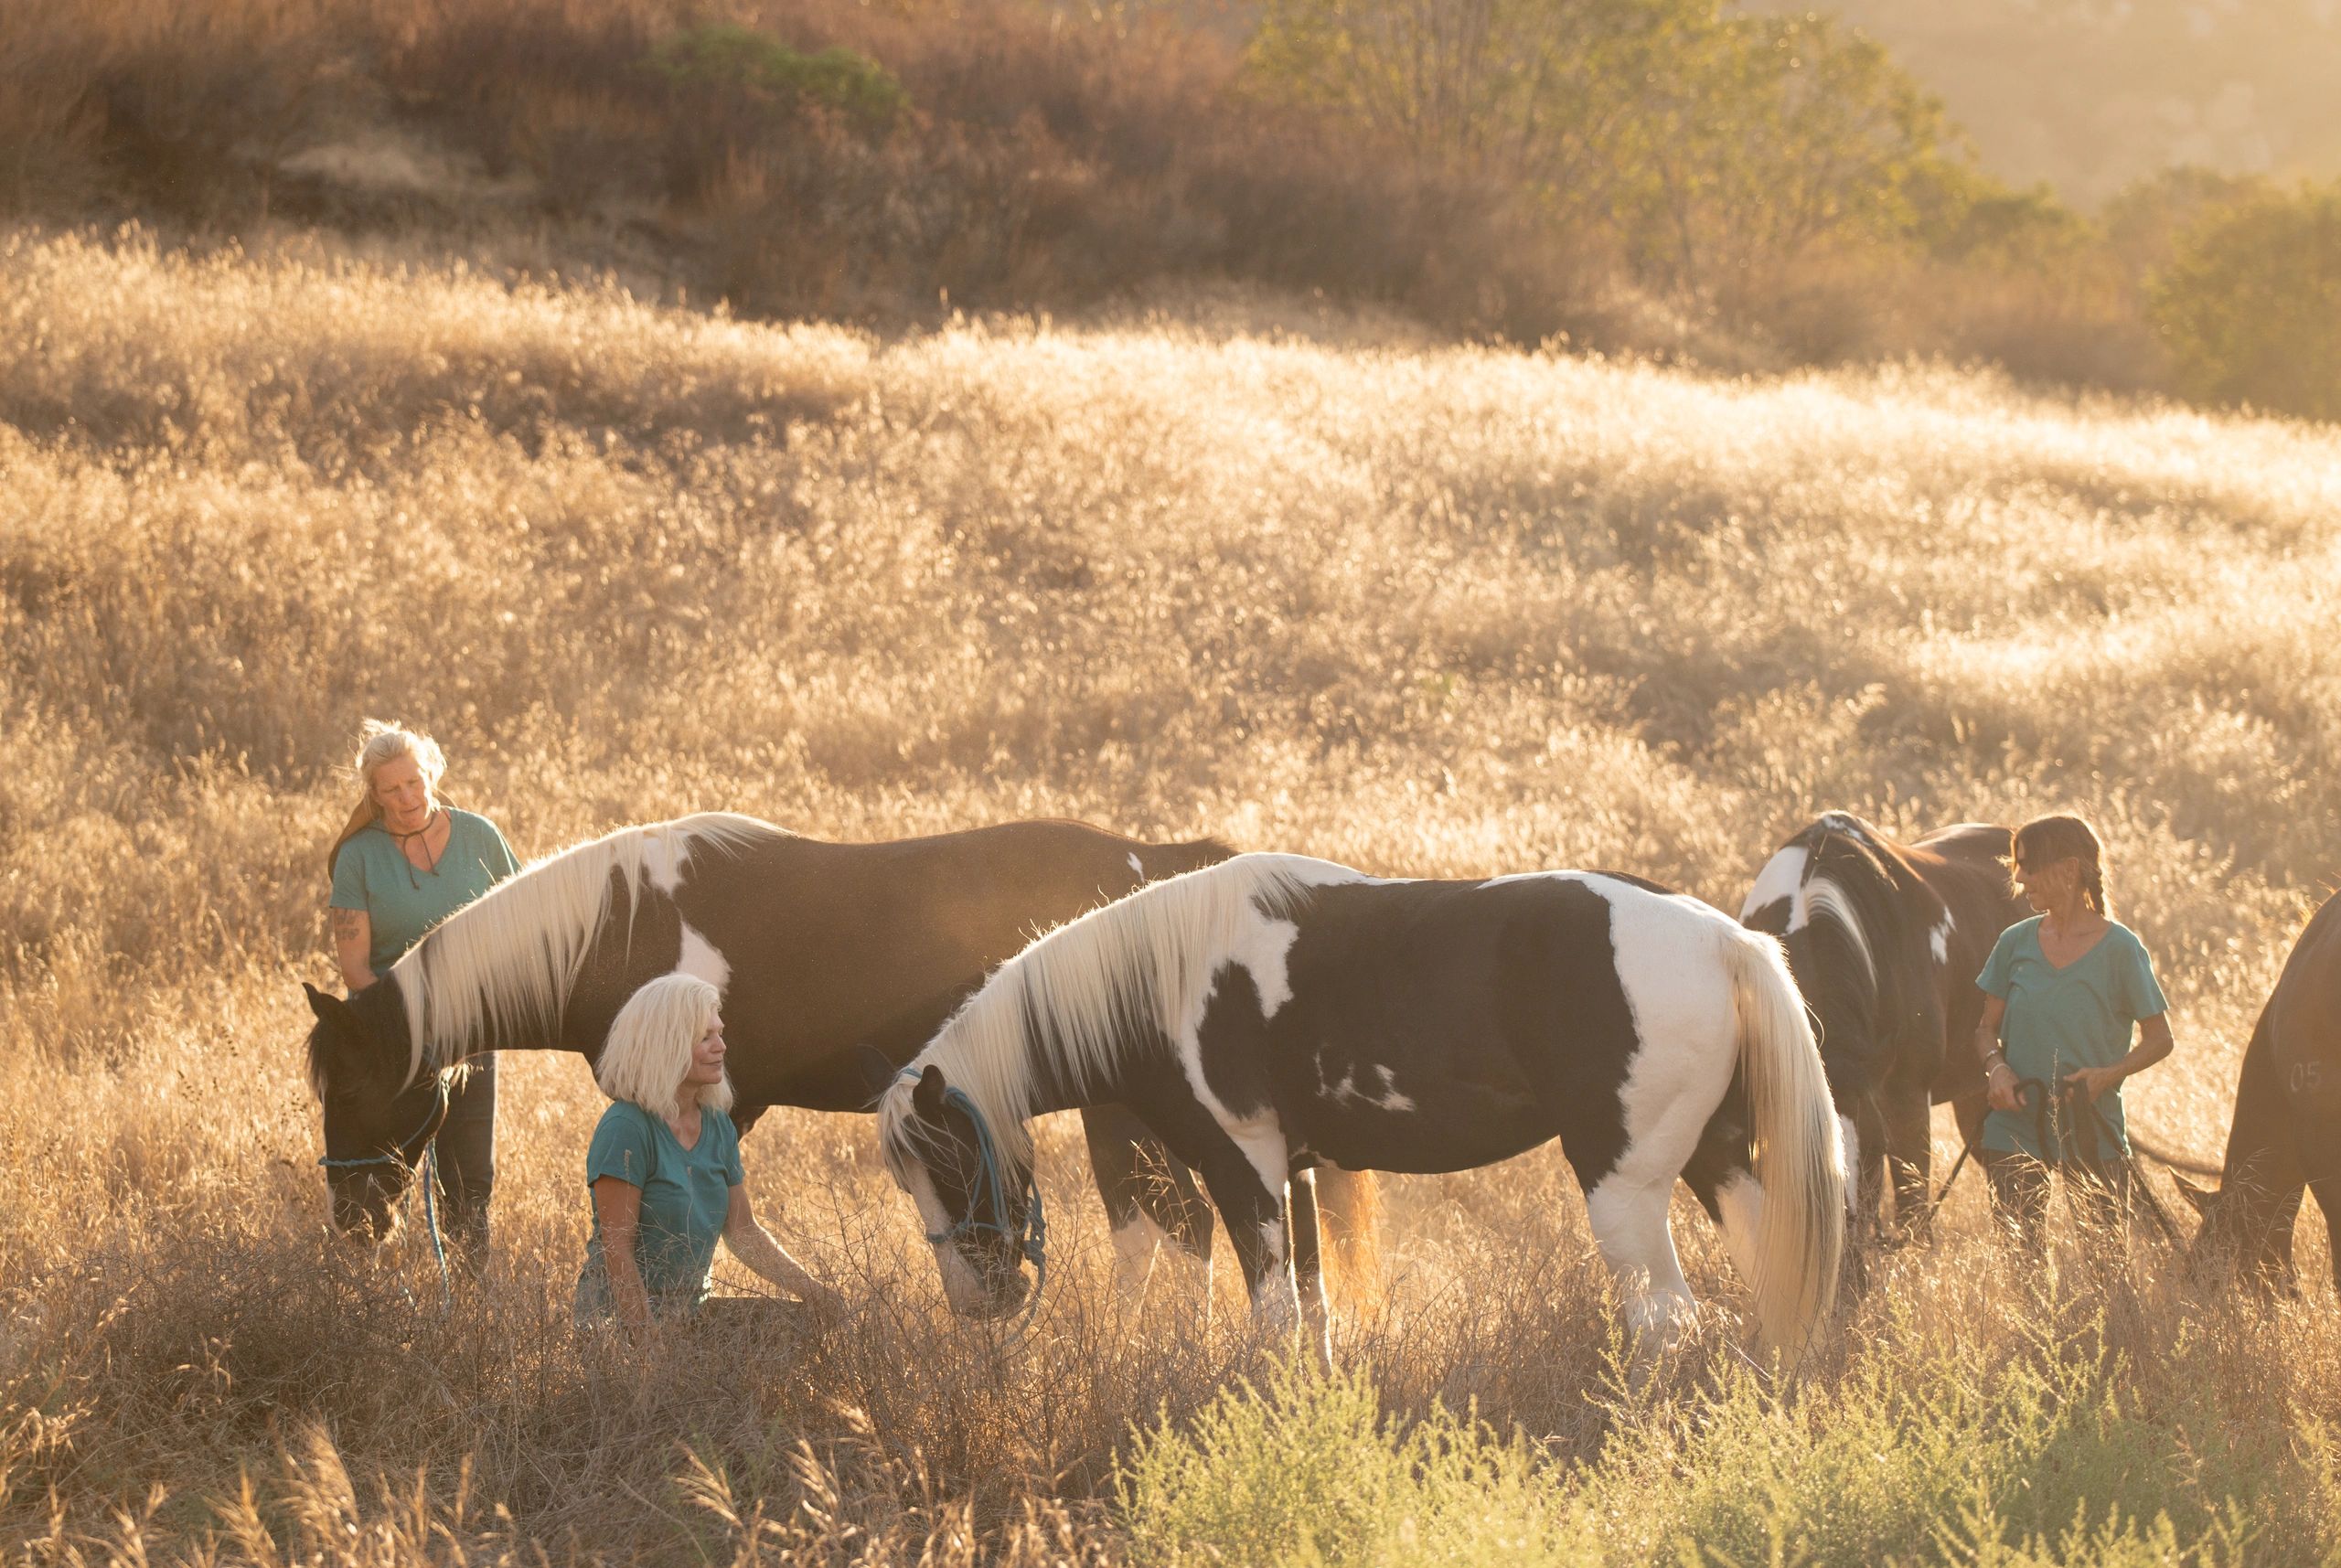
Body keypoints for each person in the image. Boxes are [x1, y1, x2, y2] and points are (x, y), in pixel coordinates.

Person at [326, 720, 520, 1263]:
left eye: (414, 781)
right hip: (388, 1036)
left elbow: (523, 927)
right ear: (374, 793)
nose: (407, 797)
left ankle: (471, 1302)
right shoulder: (358, 856)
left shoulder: (480, 837)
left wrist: (479, 1008)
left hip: (471, 1030)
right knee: (378, 1170)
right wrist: (409, 1027)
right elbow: (356, 970)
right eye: (391, 789)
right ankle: (374, 1296)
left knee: (469, 1179)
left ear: (433, 773)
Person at [573, 974, 844, 1330]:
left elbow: (743, 1233)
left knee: (808, 1321)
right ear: (666, 1045)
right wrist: (647, 1354)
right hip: (616, 1321)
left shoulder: (718, 1125)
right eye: (705, 1037)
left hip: (689, 1313)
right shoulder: (626, 1127)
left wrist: (816, 1292)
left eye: (719, 1033)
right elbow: (617, 1250)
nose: (721, 1046)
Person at [1972, 814, 2175, 1255]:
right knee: (2019, 1260)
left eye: (2029, 865)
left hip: (2091, 1124)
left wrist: (2106, 1075)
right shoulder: (2014, 943)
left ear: (2068, 870)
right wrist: (1997, 1070)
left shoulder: (2122, 949)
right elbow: (1985, 1030)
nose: (2020, 878)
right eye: (2017, 866)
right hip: (2015, 1122)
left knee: (2106, 1267)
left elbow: (2161, 1039)